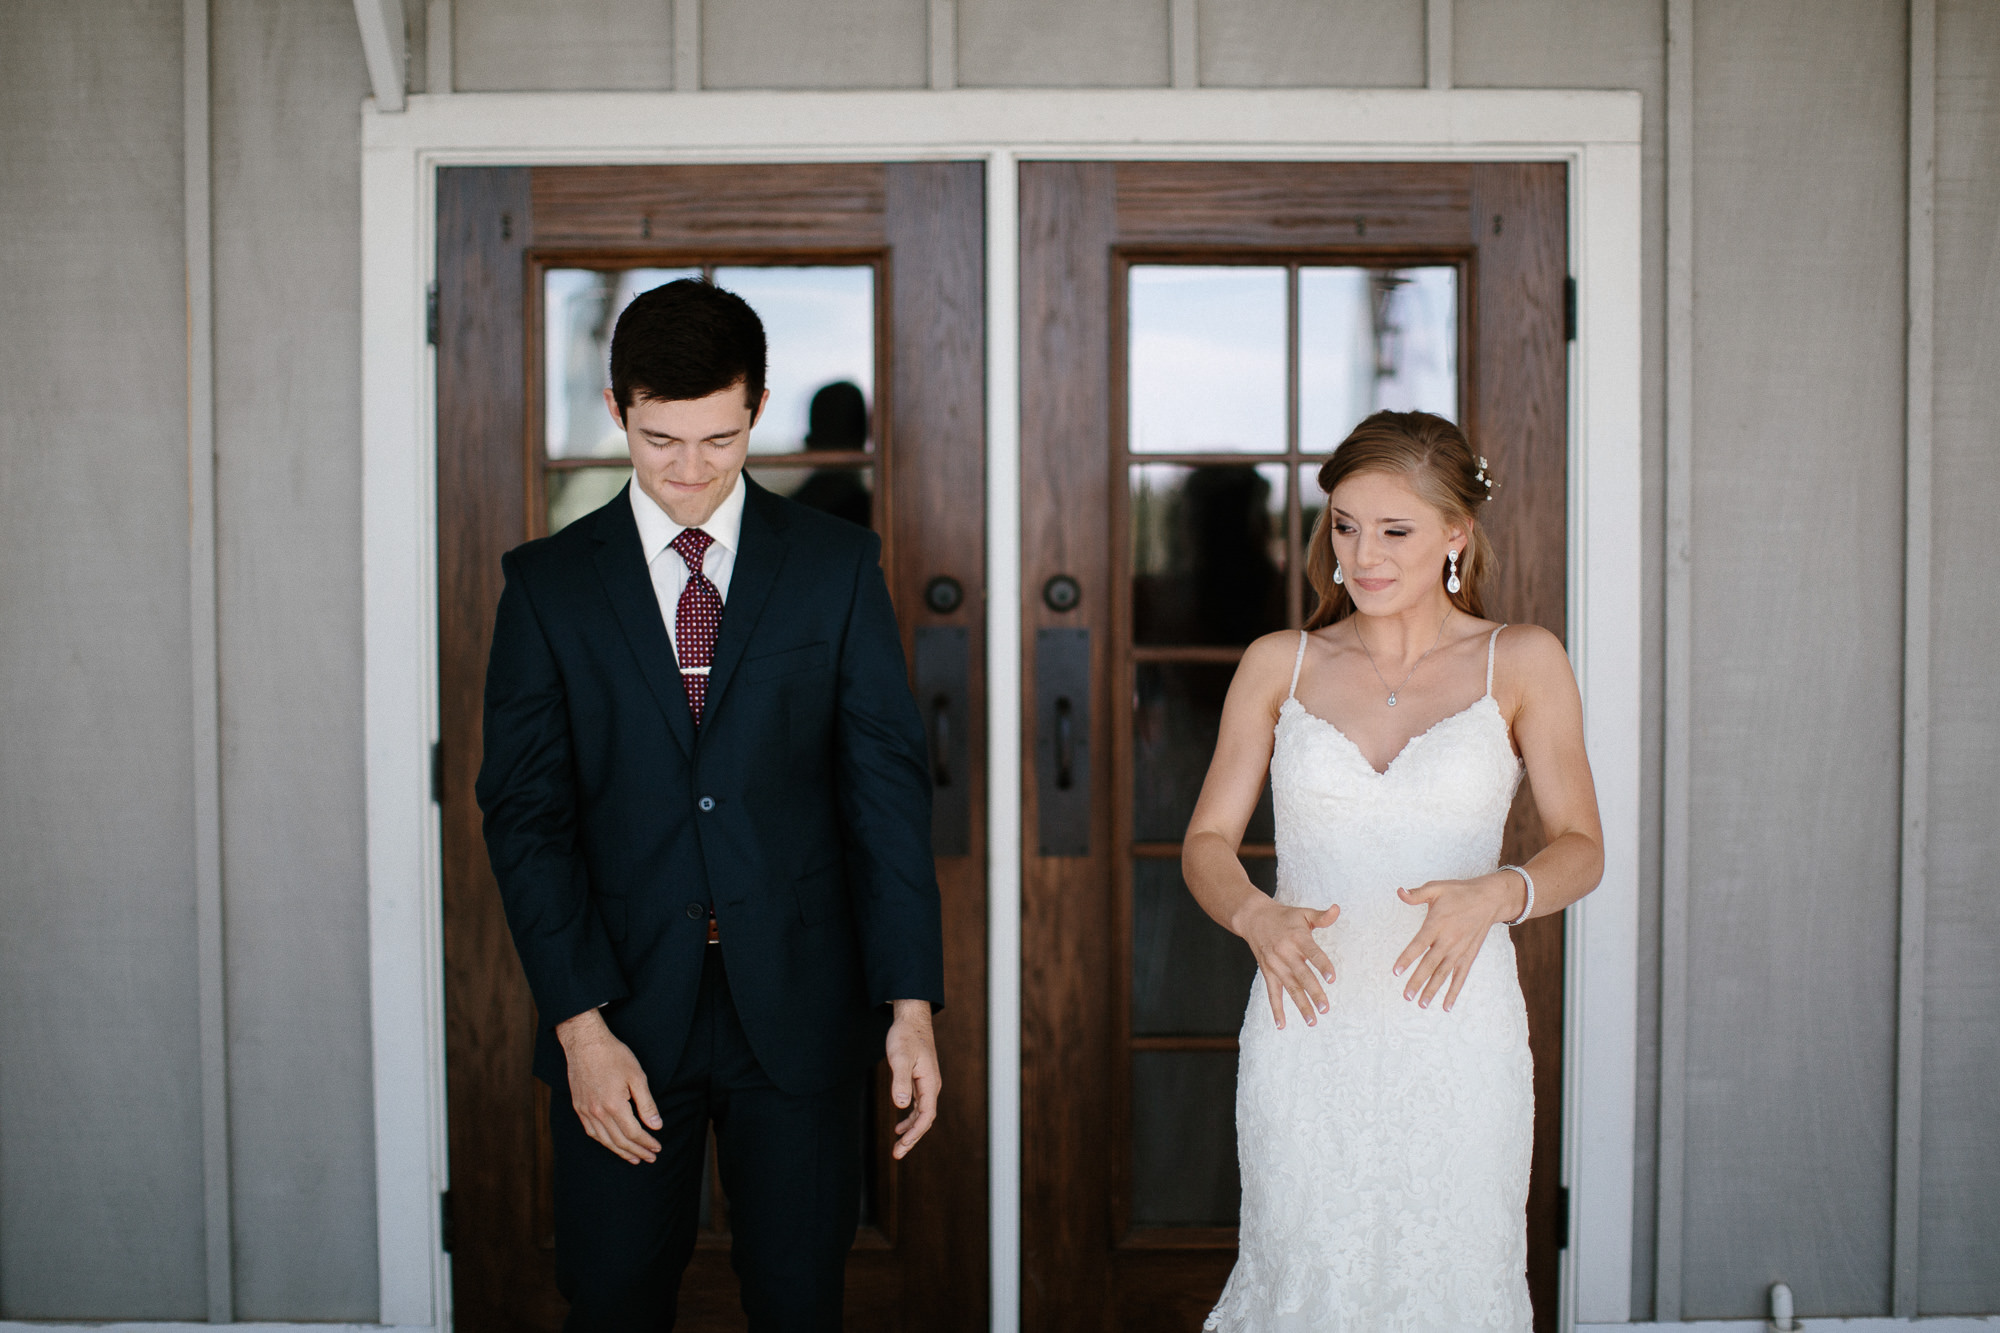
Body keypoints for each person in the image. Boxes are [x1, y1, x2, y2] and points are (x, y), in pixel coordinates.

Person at [476, 278, 945, 1330]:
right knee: (611, 1294)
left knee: (796, 1299)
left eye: (718, 440)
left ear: (757, 408)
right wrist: (578, 1028)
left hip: (803, 1004)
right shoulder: (546, 586)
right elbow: (524, 816)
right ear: (616, 413)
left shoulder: (834, 567)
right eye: (659, 440)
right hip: (620, 1011)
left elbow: (882, 792)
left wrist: (907, 1002)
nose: (689, 471)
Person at [1185, 410, 1604, 1330]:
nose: (1361, 554)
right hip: (1309, 1028)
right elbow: (1207, 842)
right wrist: (1254, 914)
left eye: (1395, 530)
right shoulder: (1278, 664)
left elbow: (1581, 845)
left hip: (1456, 1038)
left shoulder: (1523, 660)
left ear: (1456, 533)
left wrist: (1505, 890)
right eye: (1343, 524)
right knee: (1305, 1277)